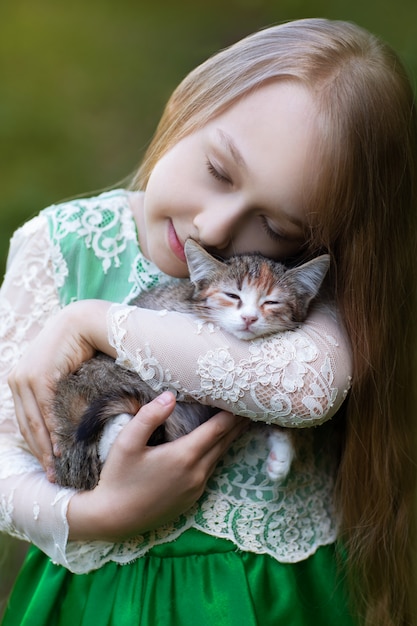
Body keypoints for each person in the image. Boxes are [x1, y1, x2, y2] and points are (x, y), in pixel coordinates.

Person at [0, 17, 416, 626]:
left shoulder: (298, 281)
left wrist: (90, 322)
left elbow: (305, 388)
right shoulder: (59, 246)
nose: (215, 229)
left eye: (275, 228)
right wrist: (99, 517)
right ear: (189, 102)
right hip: (98, 605)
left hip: (276, 602)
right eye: (219, 171)